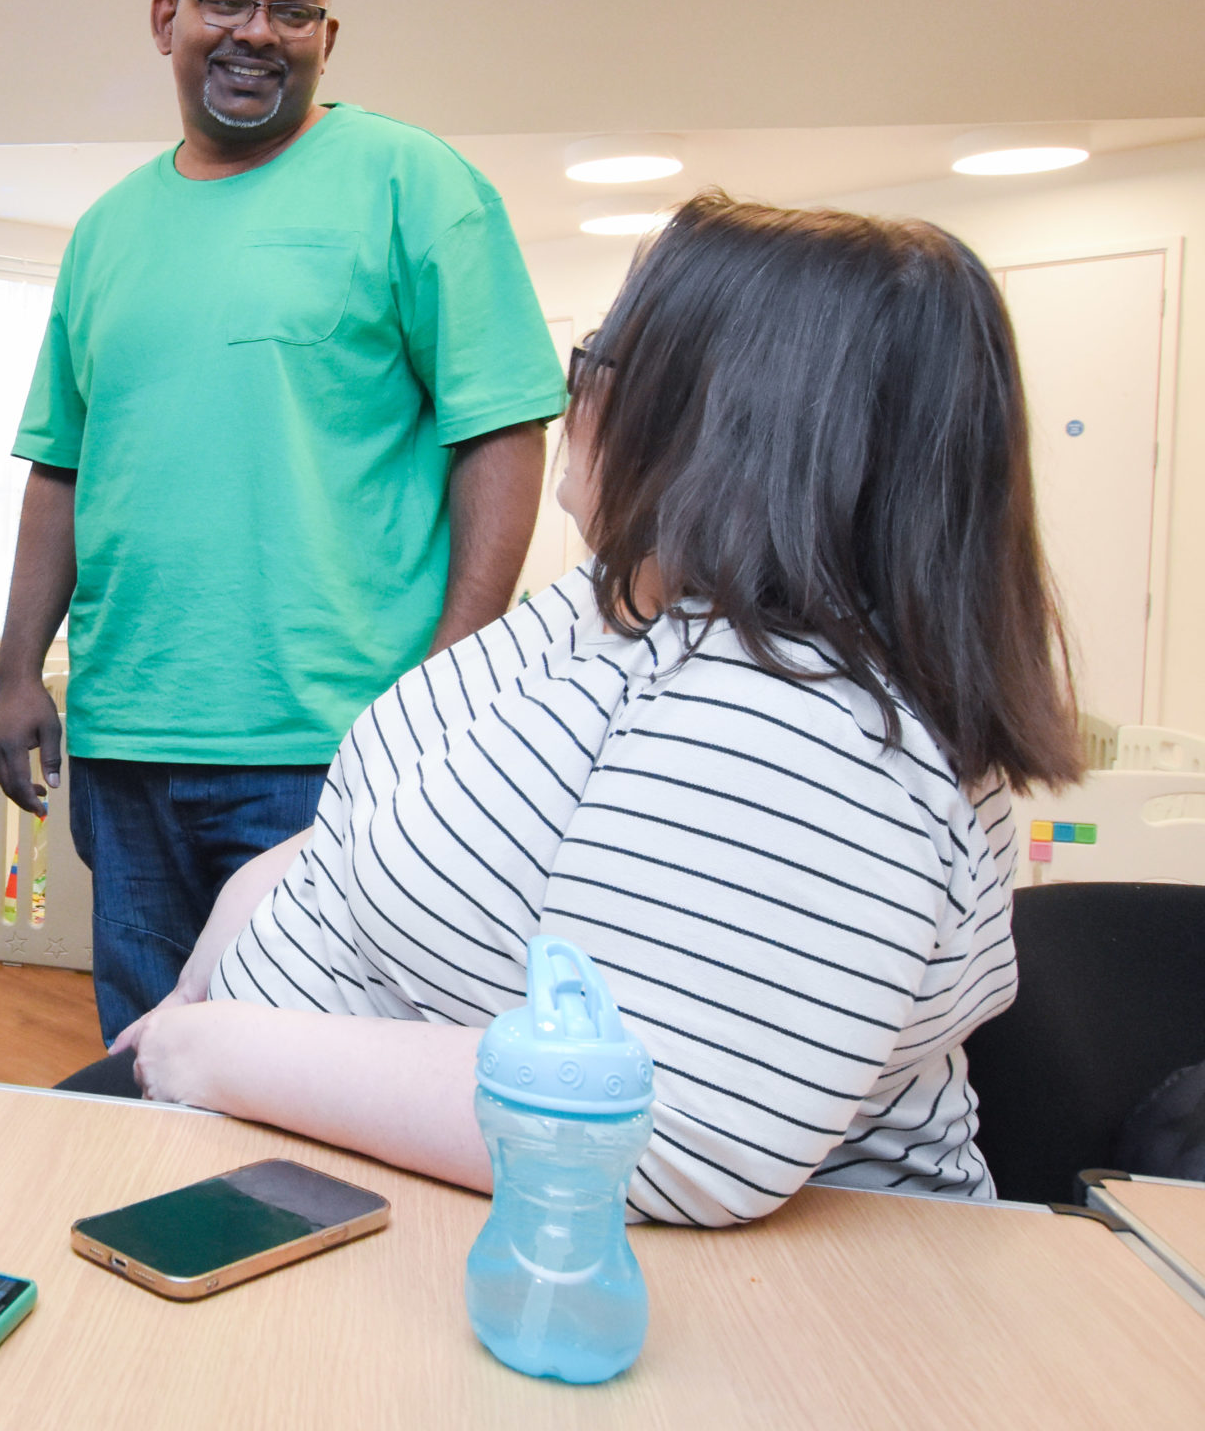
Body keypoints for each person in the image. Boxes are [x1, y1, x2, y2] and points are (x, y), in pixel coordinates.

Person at [100, 193, 1081, 1224]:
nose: (576, 389)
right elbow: (403, 800)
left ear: (717, 415)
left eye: (603, 355)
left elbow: (655, 1135)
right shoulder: (630, 600)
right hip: (284, 1117)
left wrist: (207, 1050)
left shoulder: (796, 725)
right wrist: (239, 927)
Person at [0, 0, 564, 1041]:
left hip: (336, 744)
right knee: (149, 1060)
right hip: (125, 737)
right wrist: (16, 674)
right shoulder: (105, 232)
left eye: (291, 10)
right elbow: (62, 466)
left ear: (326, 36)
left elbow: (501, 427)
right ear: (168, 16)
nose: (257, 30)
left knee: (323, 1076)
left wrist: (448, 687)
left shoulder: (413, 183)